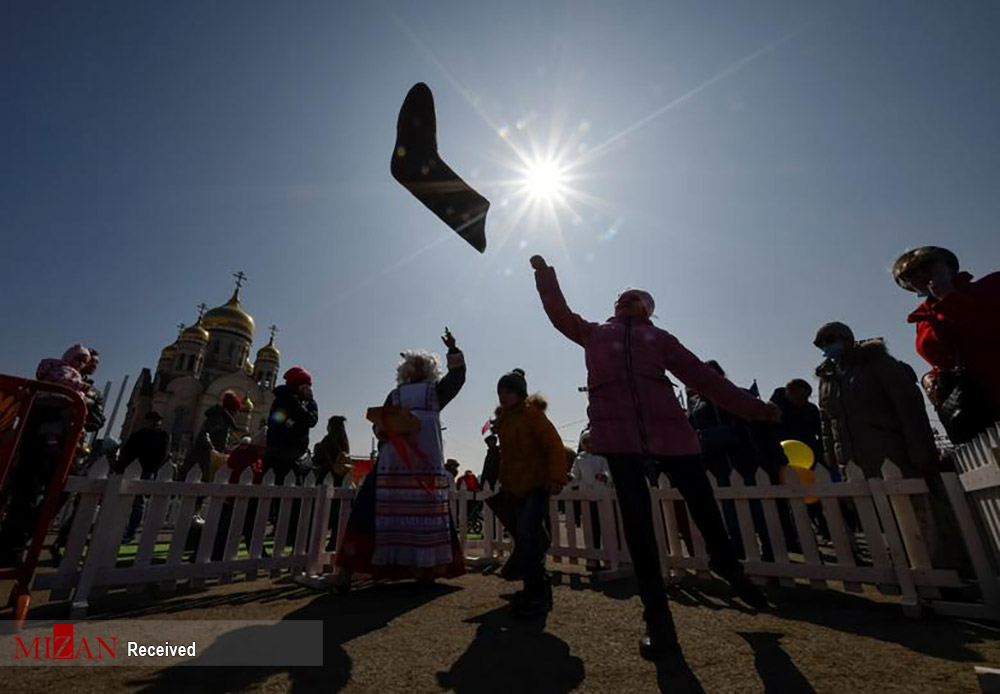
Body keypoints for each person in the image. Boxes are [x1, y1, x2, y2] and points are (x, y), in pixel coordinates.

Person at [529, 254, 775, 660]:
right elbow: (559, 315)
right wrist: (545, 276)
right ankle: (659, 622)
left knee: (706, 510)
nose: (626, 298)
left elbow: (704, 379)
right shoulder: (594, 334)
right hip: (619, 440)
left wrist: (754, 409)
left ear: (648, 309)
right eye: (621, 296)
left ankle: (729, 567)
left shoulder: (661, 340)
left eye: (636, 297)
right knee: (640, 533)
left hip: (674, 437)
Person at [335, 328, 467, 586]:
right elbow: (379, 423)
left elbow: (458, 376)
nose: (416, 367)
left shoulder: (436, 393)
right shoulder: (394, 396)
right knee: (367, 510)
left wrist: (452, 349)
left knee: (425, 520)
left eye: (422, 364)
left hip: (425, 468)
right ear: (405, 370)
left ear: (429, 369)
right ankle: (347, 572)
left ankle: (426, 570)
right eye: (412, 364)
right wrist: (381, 429)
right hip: (391, 465)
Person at [0, 345, 96, 566]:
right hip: (46, 435)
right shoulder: (61, 375)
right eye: (80, 360)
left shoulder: (57, 380)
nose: (82, 365)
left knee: (54, 488)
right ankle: (13, 545)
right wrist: (82, 391)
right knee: (28, 490)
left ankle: (18, 539)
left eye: (85, 362)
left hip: (58, 436)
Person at [893, 246, 1000, 443]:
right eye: (909, 274)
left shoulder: (991, 286)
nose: (918, 275)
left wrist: (949, 298)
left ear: (948, 265)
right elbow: (944, 357)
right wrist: (930, 377)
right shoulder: (923, 318)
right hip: (973, 408)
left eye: (925, 265)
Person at [493, 369, 567, 618]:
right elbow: (507, 457)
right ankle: (534, 590)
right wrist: (504, 483)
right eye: (500, 392)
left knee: (529, 534)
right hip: (515, 487)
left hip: (536, 484)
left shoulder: (533, 416)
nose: (503, 396)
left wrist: (557, 477)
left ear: (520, 393)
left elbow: (554, 445)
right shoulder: (503, 421)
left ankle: (538, 594)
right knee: (526, 538)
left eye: (509, 391)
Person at [117, 411, 172, 542]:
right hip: (133, 470)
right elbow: (126, 452)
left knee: (137, 502)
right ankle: (120, 529)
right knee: (127, 501)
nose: (154, 423)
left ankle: (130, 531)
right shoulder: (139, 435)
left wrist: (153, 468)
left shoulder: (162, 435)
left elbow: (163, 454)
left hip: (146, 470)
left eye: (156, 421)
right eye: (152, 420)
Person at [179, 390, 243, 481]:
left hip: (208, 457)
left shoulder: (223, 420)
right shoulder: (219, 418)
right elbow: (205, 434)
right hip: (204, 457)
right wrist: (212, 450)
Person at [569, 430, 611, 563]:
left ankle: (608, 557)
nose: (589, 444)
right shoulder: (579, 459)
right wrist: (570, 478)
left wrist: (605, 476)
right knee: (590, 527)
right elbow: (575, 475)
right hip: (586, 496)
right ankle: (593, 558)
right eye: (586, 442)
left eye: (592, 441)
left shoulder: (602, 458)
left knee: (606, 527)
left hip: (602, 495)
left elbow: (607, 471)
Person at [313, 415, 352, 550]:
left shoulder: (327, 440)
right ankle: (334, 542)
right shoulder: (344, 443)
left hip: (326, 477)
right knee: (336, 514)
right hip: (339, 479)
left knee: (321, 513)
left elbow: (317, 460)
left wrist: (318, 449)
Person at [770, 379, 825, 468]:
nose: (804, 400)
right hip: (783, 454)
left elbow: (820, 431)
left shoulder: (811, 409)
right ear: (789, 392)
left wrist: (819, 451)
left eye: (807, 397)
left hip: (810, 454)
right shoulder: (774, 409)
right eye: (801, 396)